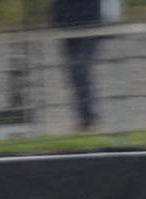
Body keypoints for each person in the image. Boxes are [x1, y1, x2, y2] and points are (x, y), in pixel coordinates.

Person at [50, 0, 103, 133]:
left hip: (89, 24)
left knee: (80, 68)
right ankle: (84, 118)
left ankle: (87, 117)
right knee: (74, 72)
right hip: (67, 24)